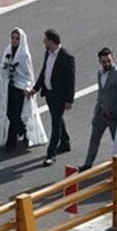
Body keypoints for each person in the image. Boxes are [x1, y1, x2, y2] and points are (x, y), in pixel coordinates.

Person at [0, 28, 48, 152]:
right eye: (13, 38)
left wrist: (27, 87)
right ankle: (23, 131)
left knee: (14, 114)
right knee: (10, 113)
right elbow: (3, 66)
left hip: (20, 88)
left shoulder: (24, 54)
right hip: (10, 86)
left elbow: (27, 73)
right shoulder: (8, 50)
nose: (14, 41)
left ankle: (11, 142)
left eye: (17, 38)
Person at [30, 28, 75, 166]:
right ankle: (65, 142)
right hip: (49, 93)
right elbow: (44, 72)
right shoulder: (47, 53)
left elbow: (71, 80)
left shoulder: (66, 57)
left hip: (60, 97)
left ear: (52, 41)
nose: (44, 42)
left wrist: (69, 100)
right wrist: (35, 88)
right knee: (57, 118)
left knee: (55, 124)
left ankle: (51, 154)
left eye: (46, 40)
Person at [80, 47, 117, 171]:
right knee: (94, 139)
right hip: (101, 113)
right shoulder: (100, 73)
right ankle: (88, 164)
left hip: (113, 116)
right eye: (104, 61)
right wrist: (97, 109)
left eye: (109, 61)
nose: (107, 64)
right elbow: (101, 92)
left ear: (113, 59)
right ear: (100, 61)